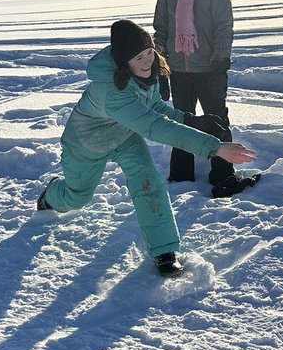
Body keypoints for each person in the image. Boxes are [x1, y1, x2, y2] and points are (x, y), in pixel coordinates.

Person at [37, 20, 256, 275]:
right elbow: (155, 127)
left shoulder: (145, 75)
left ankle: (164, 251)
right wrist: (214, 148)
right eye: (139, 57)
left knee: (149, 180)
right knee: (77, 197)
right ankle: (50, 196)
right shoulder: (113, 93)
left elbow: (155, 110)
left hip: (125, 136)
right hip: (87, 143)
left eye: (150, 52)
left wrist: (191, 119)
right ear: (123, 62)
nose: (147, 61)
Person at [153, 0, 261, 198]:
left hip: (208, 66)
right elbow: (161, 28)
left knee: (216, 120)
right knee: (181, 122)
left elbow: (223, 25)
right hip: (178, 67)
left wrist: (220, 64)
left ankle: (223, 176)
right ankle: (180, 177)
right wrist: (161, 65)